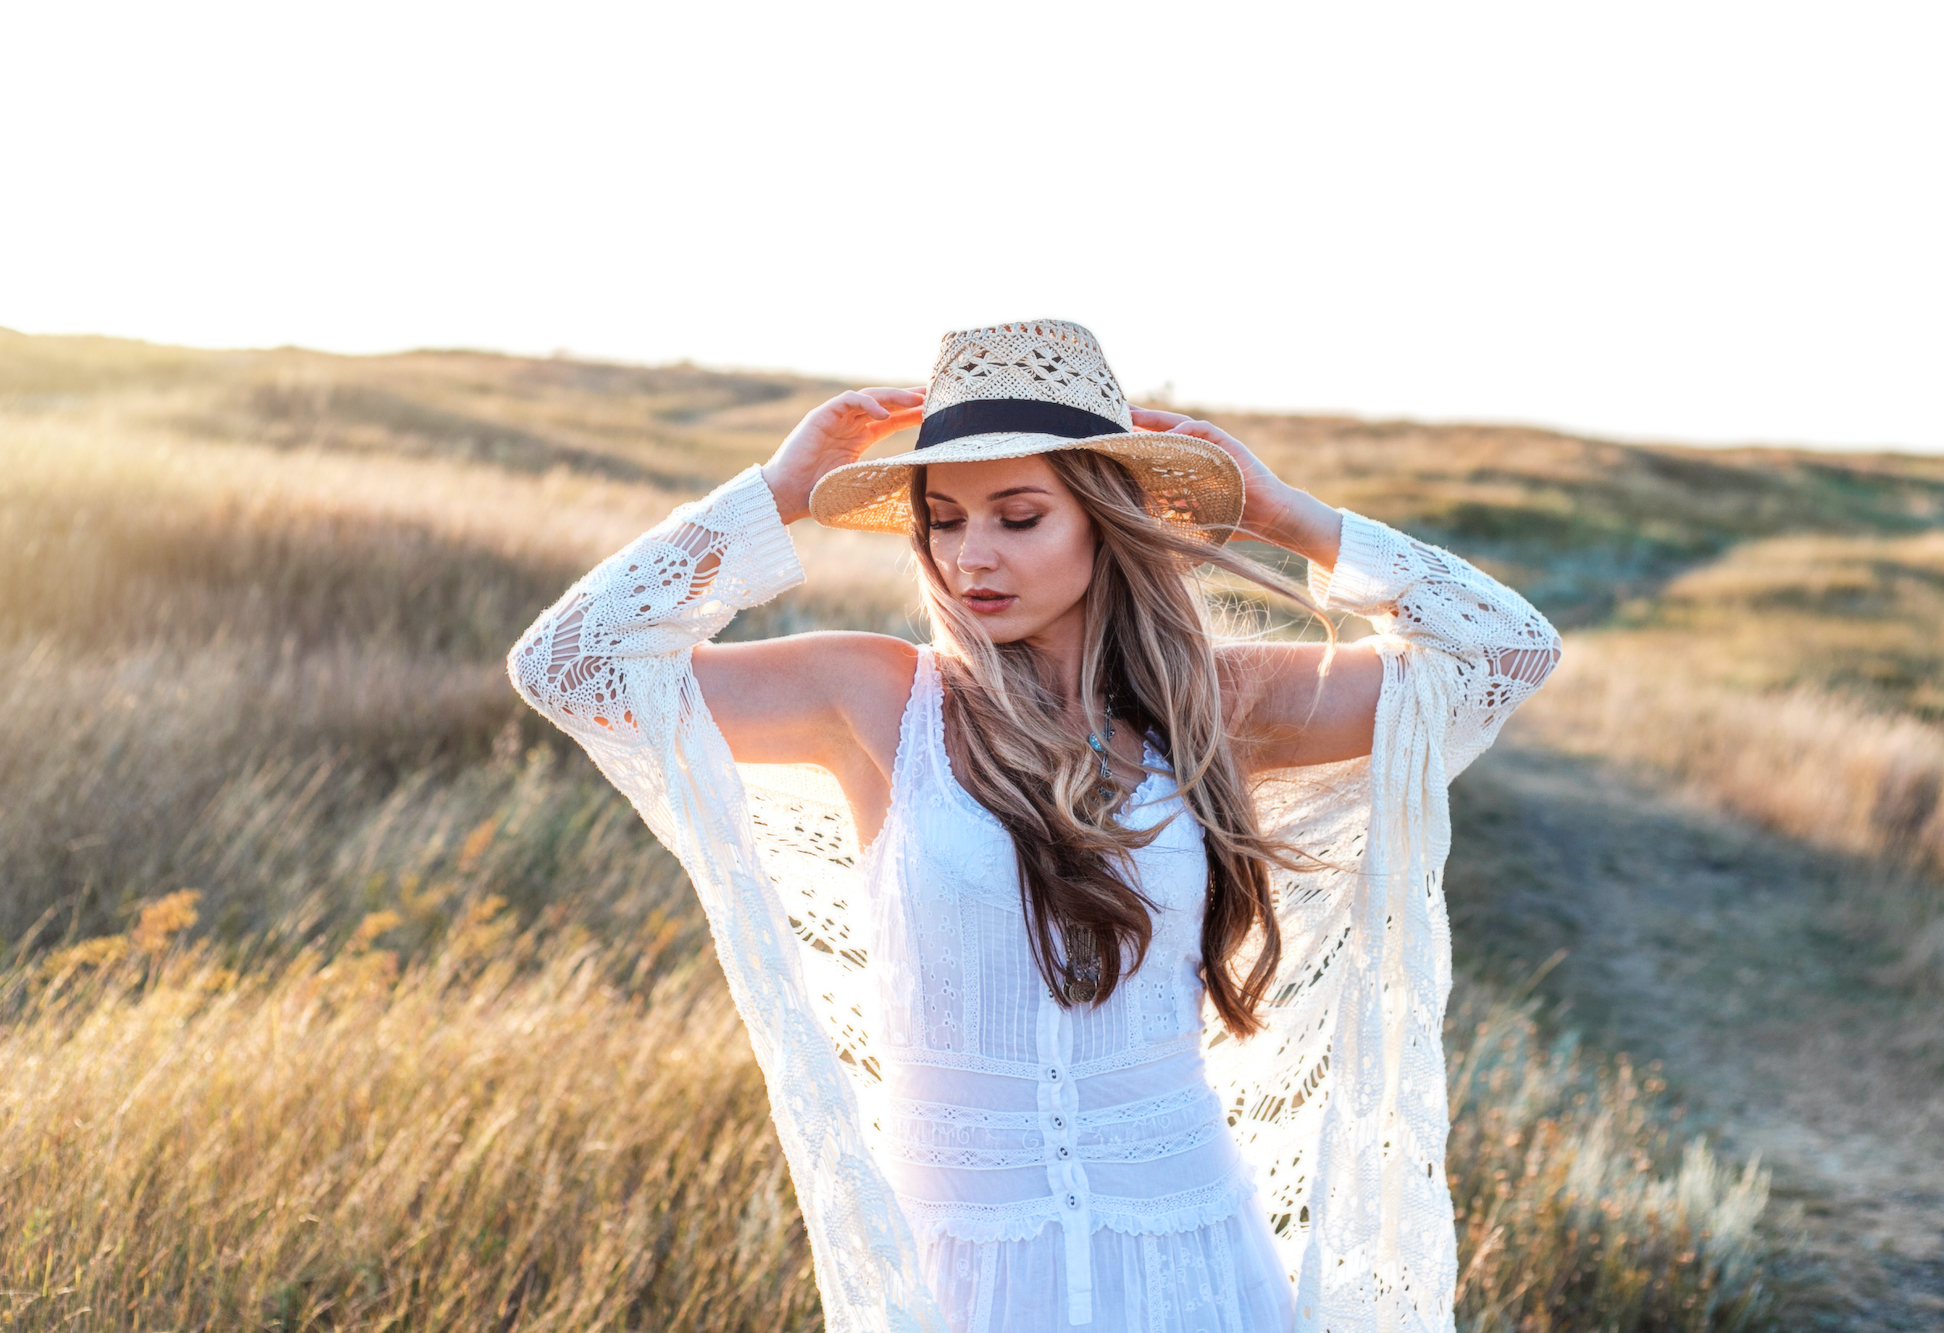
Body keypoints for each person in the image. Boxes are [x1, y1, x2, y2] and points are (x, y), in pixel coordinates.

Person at [508, 319, 1561, 1333]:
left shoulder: (1217, 706)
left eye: (1018, 517)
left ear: (1106, 521)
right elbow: (567, 668)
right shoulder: (875, 701)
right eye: (943, 519)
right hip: (965, 1269)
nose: (973, 556)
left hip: (1189, 1254)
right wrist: (774, 496)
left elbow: (1504, 656)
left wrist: (1285, 516)